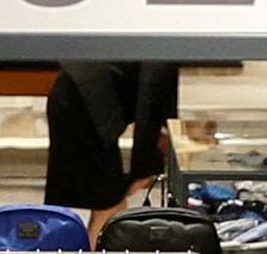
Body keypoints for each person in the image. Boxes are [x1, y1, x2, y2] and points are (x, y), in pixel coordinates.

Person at [43, 61, 178, 242]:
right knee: (109, 208)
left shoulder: (159, 40)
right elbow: (150, 106)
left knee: (109, 206)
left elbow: (159, 113)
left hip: (78, 97)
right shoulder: (166, 47)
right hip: (84, 106)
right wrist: (144, 169)